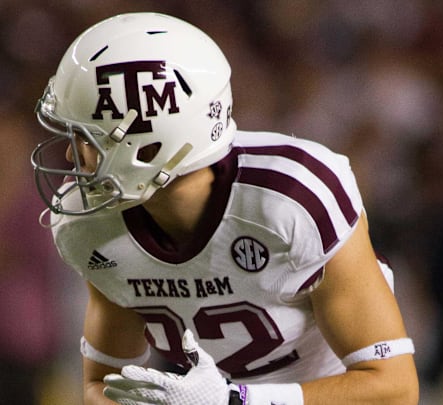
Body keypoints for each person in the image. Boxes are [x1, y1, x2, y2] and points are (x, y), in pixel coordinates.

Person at [31, 12, 418, 405]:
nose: (69, 154)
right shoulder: (91, 223)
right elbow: (104, 386)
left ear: (148, 146)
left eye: (85, 138)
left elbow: (394, 388)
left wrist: (237, 400)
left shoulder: (292, 197)